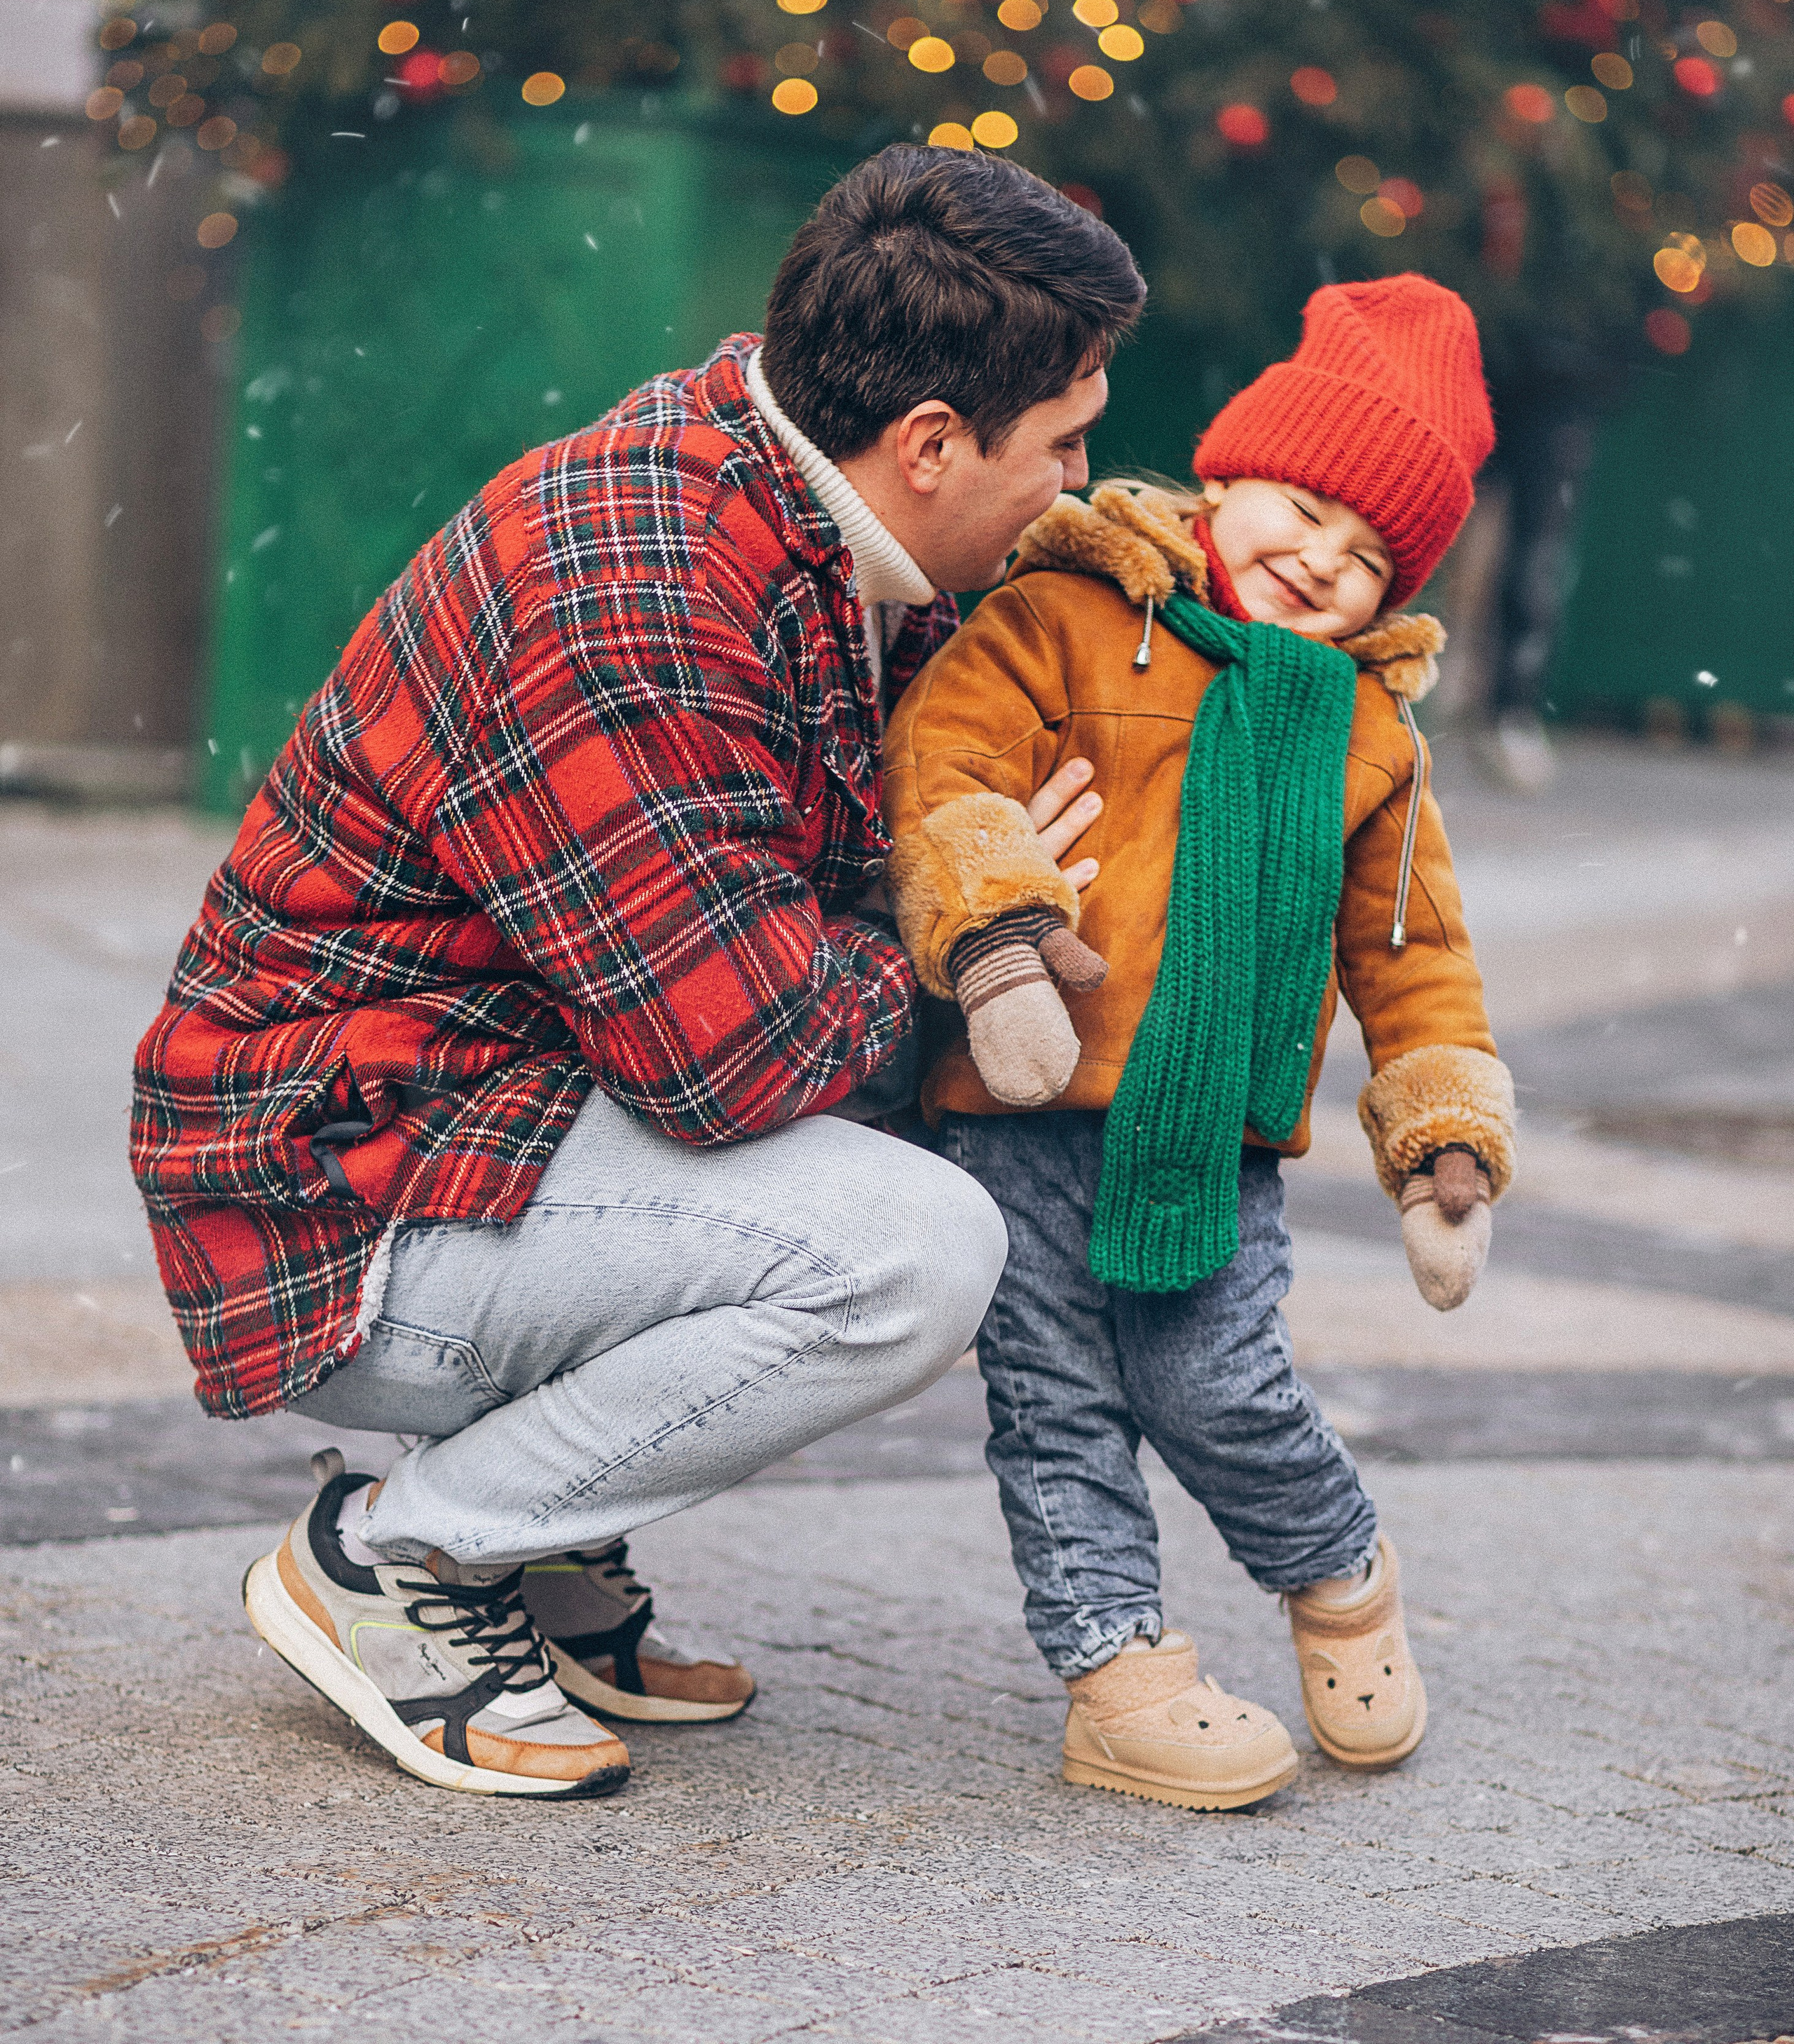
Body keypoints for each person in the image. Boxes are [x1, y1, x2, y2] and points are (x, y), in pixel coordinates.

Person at [130, 144, 1144, 1801]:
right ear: (932, 444)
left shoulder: (784, 500)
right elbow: (726, 1061)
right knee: (906, 1250)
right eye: (1065, 445)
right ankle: (405, 1557)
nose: (1081, 487)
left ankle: (548, 1545)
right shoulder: (632, 587)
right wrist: (955, 936)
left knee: (862, 1160)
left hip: (484, 1115)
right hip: (340, 1196)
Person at [882, 273, 1517, 1811]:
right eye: (1303, 506)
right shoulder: (1068, 612)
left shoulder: (1366, 735)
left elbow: (1409, 948)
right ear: (1223, 477)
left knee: (1217, 1386)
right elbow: (943, 756)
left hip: (1213, 1132)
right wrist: (996, 933)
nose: (1318, 558)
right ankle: (1119, 1675)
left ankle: (1337, 1573)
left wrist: (1439, 1138)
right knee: (1056, 1403)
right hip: (1013, 1105)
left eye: (1366, 557)